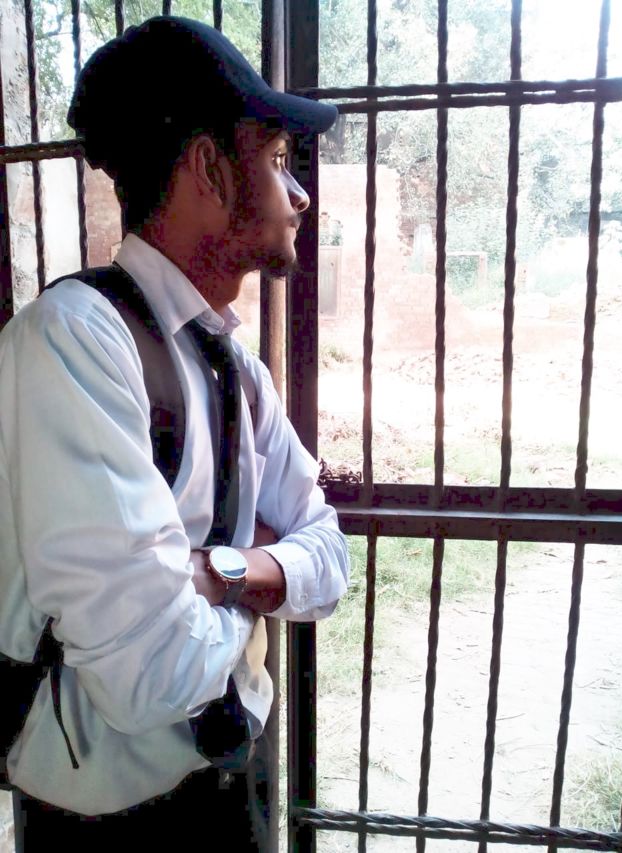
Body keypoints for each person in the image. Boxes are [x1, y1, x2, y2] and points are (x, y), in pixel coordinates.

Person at [0, 15, 349, 851]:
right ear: (206, 169)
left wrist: (218, 571)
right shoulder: (73, 342)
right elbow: (148, 675)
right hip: (109, 826)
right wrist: (265, 585)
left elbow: (332, 558)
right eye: (275, 160)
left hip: (238, 782)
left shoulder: (237, 368)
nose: (299, 193)